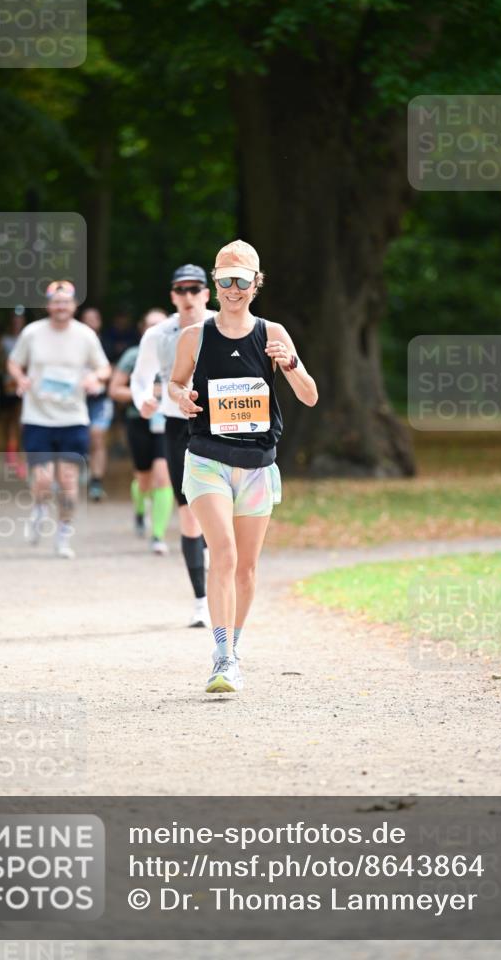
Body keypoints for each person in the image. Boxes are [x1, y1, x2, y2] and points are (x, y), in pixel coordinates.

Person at [169, 240, 317, 693]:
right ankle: (222, 657)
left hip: (257, 465)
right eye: (225, 280)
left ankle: (234, 646)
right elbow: (174, 384)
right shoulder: (195, 335)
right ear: (216, 283)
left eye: (242, 281)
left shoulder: (273, 333)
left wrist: (289, 364)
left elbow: (309, 394)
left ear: (256, 284)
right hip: (208, 459)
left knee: (247, 568)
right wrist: (184, 398)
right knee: (225, 554)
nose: (233, 289)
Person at [131, 265, 215, 628]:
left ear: (206, 294)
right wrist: (142, 401)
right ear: (172, 296)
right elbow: (139, 379)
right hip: (177, 425)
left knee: (224, 508)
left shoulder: (224, 325)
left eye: (195, 289)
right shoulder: (158, 334)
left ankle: (216, 569)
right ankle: (201, 602)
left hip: (221, 424)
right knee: (189, 513)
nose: (188, 296)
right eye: (181, 290)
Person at [7, 281, 111, 558]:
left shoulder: (85, 335)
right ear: (48, 305)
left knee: (68, 480)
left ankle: (64, 534)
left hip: (73, 417)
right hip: (38, 415)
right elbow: (14, 362)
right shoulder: (32, 333)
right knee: (41, 479)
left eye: (66, 302)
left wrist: (94, 377)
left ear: (74, 305)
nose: (61, 307)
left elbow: (104, 367)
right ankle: (40, 508)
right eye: (56, 301)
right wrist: (20, 378)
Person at [109, 308, 173, 553]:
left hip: (167, 422)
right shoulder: (133, 355)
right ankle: (139, 510)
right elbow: (115, 390)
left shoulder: (178, 349)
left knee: (162, 476)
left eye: (161, 325)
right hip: (139, 421)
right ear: (143, 329)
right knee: (144, 480)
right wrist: (143, 397)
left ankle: (157, 536)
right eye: (150, 325)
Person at [81, 306, 114, 501]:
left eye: (94, 319)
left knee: (97, 436)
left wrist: (102, 381)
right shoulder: (73, 342)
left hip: (100, 400)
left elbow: (117, 369)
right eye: (87, 318)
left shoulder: (106, 343)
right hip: (76, 399)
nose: (90, 322)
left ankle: (96, 482)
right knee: (81, 438)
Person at [0, 311, 27, 478]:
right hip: (5, 384)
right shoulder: (3, 340)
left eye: (19, 320)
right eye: (14, 320)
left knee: (18, 419)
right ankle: (9, 447)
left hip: (22, 386)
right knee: (7, 420)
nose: (16, 323)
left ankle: (18, 455)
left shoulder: (27, 338)